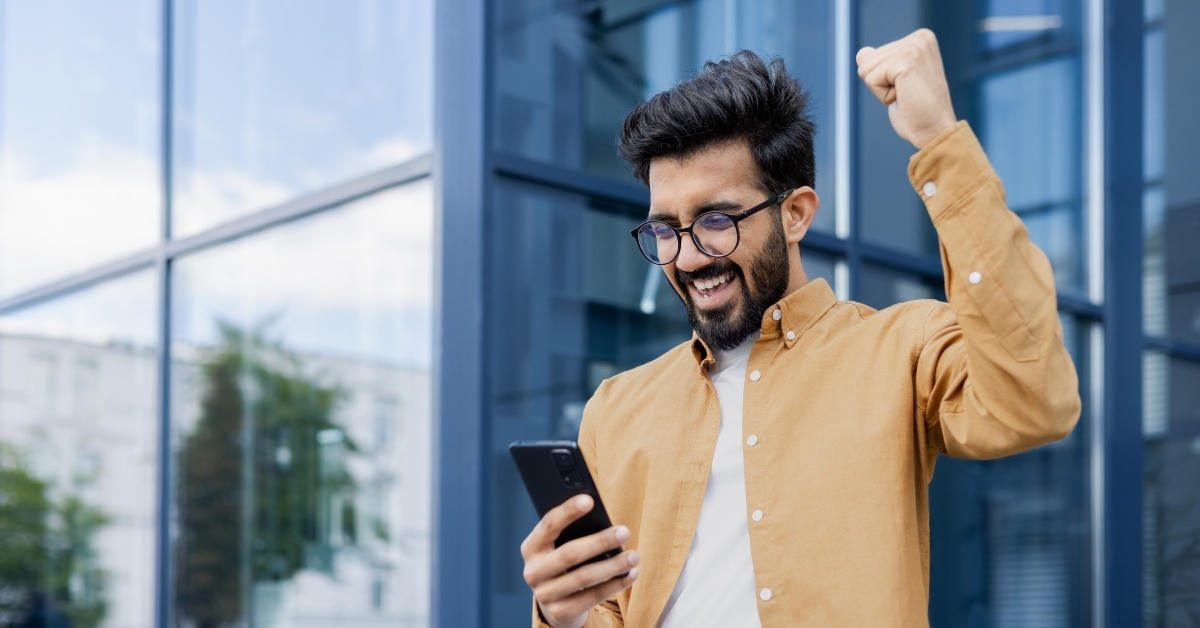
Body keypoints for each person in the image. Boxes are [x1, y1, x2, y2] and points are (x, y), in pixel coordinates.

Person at [520, 29, 1080, 627]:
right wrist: (563, 615)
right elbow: (608, 609)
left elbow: (1033, 400)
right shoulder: (616, 408)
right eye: (665, 230)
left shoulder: (902, 352)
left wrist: (939, 139)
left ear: (795, 214)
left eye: (715, 219)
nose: (685, 257)